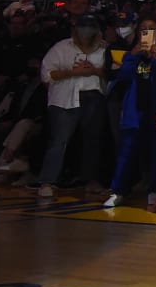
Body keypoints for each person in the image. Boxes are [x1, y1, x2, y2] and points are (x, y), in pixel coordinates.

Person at [103, 17, 156, 209]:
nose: (147, 31)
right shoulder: (132, 53)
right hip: (133, 111)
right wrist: (134, 55)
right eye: (143, 29)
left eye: (151, 28)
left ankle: (153, 190)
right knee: (126, 152)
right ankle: (118, 191)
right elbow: (123, 76)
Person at [34, 15, 108, 199]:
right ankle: (47, 181)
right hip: (65, 98)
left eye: (90, 27)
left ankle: (91, 180)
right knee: (59, 140)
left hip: (94, 96)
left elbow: (112, 72)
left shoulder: (104, 48)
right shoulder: (62, 47)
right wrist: (73, 72)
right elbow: (47, 75)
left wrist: (93, 70)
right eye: (83, 27)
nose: (86, 31)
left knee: (93, 141)